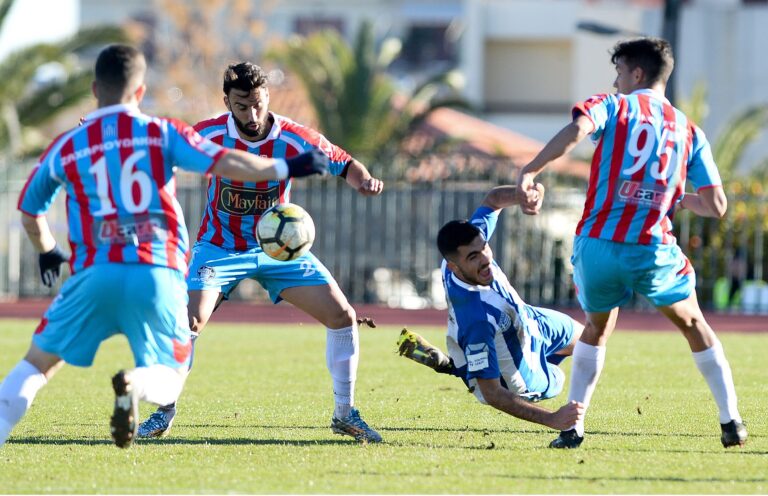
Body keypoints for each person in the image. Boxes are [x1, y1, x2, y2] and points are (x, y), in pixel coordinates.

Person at [0, 45, 328, 450]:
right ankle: (136, 383)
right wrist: (286, 166)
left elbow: (29, 212)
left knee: (34, 367)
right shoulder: (162, 132)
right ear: (140, 92)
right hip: (156, 273)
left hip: (93, 273)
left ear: (95, 90)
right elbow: (226, 161)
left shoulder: (69, 144)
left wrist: (48, 250)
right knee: (169, 377)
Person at [516, 37, 747, 449]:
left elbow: (577, 130)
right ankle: (731, 422)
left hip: (598, 245)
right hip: (651, 249)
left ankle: (573, 428)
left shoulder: (613, 105)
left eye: (619, 72)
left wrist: (530, 170)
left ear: (637, 73)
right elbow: (716, 205)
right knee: (694, 323)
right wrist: (675, 198)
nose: (616, 81)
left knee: (596, 329)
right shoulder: (689, 130)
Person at [138, 62, 384, 443]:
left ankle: (345, 413)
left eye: (258, 104)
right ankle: (164, 411)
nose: (252, 115)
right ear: (227, 103)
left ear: (267, 96)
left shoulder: (294, 137)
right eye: (242, 106)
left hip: (279, 251)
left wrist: (363, 180)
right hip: (218, 248)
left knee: (342, 316)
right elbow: (159, 145)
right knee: (188, 322)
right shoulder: (209, 134)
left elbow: (343, 162)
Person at [398, 185, 586, 431]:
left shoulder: (466, 246)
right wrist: (551, 419)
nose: (485, 259)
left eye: (484, 247)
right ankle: (461, 368)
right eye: (473, 257)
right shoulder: (477, 318)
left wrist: (522, 195)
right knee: (558, 380)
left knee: (589, 339)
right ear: (454, 267)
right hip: (519, 375)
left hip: (529, 320)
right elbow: (493, 393)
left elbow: (493, 199)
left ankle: (458, 365)